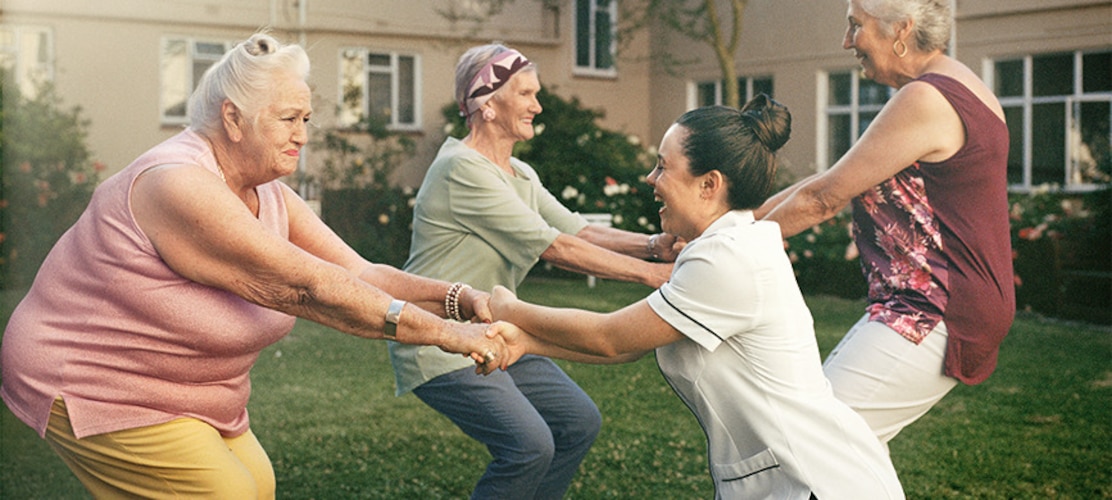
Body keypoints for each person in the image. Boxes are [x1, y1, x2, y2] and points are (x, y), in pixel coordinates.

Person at [0, 32, 507, 499]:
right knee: (230, 494)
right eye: (288, 119)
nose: (303, 136)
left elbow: (361, 273)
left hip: (189, 392)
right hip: (89, 378)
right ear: (233, 118)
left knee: (257, 485)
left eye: (305, 120)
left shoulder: (268, 192)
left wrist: (461, 299)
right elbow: (308, 287)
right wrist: (445, 335)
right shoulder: (178, 184)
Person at [487, 97, 905, 499]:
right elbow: (630, 347)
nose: (651, 179)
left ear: (709, 184)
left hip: (817, 484)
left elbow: (609, 336)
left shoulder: (727, 259)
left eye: (662, 167)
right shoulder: (726, 245)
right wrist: (528, 342)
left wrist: (510, 309)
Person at [389, 43, 678, 499]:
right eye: (525, 93)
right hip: (438, 339)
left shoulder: (519, 173)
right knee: (529, 445)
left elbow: (579, 232)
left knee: (577, 422)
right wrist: (654, 277)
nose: (537, 106)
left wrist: (652, 246)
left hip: (496, 334)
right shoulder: (460, 169)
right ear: (486, 104)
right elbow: (555, 247)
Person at [755, 0, 1015, 446]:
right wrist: (729, 225)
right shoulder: (955, 84)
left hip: (937, 309)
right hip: (927, 303)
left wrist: (726, 243)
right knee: (846, 449)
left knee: (810, 441)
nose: (846, 41)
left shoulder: (926, 98)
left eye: (856, 26)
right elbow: (829, 181)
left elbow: (823, 199)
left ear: (901, 29)